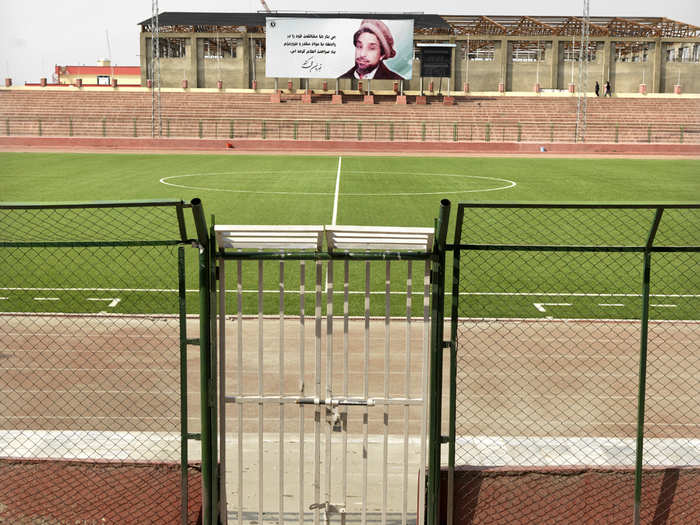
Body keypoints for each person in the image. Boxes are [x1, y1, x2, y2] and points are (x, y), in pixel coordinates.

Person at [340, 19, 404, 80]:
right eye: (359, 46)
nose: (362, 54)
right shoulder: (342, 79)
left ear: (382, 55)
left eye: (371, 48)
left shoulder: (396, 80)